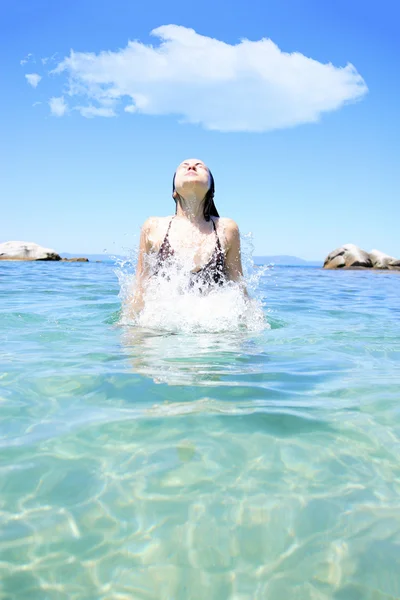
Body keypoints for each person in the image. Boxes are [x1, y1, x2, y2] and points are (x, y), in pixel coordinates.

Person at [130, 158, 246, 314]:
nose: (191, 166)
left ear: (211, 188)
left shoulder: (226, 228)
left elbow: (238, 287)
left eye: (200, 167)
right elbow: (140, 286)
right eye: (184, 167)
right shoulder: (154, 226)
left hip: (211, 332)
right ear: (174, 191)